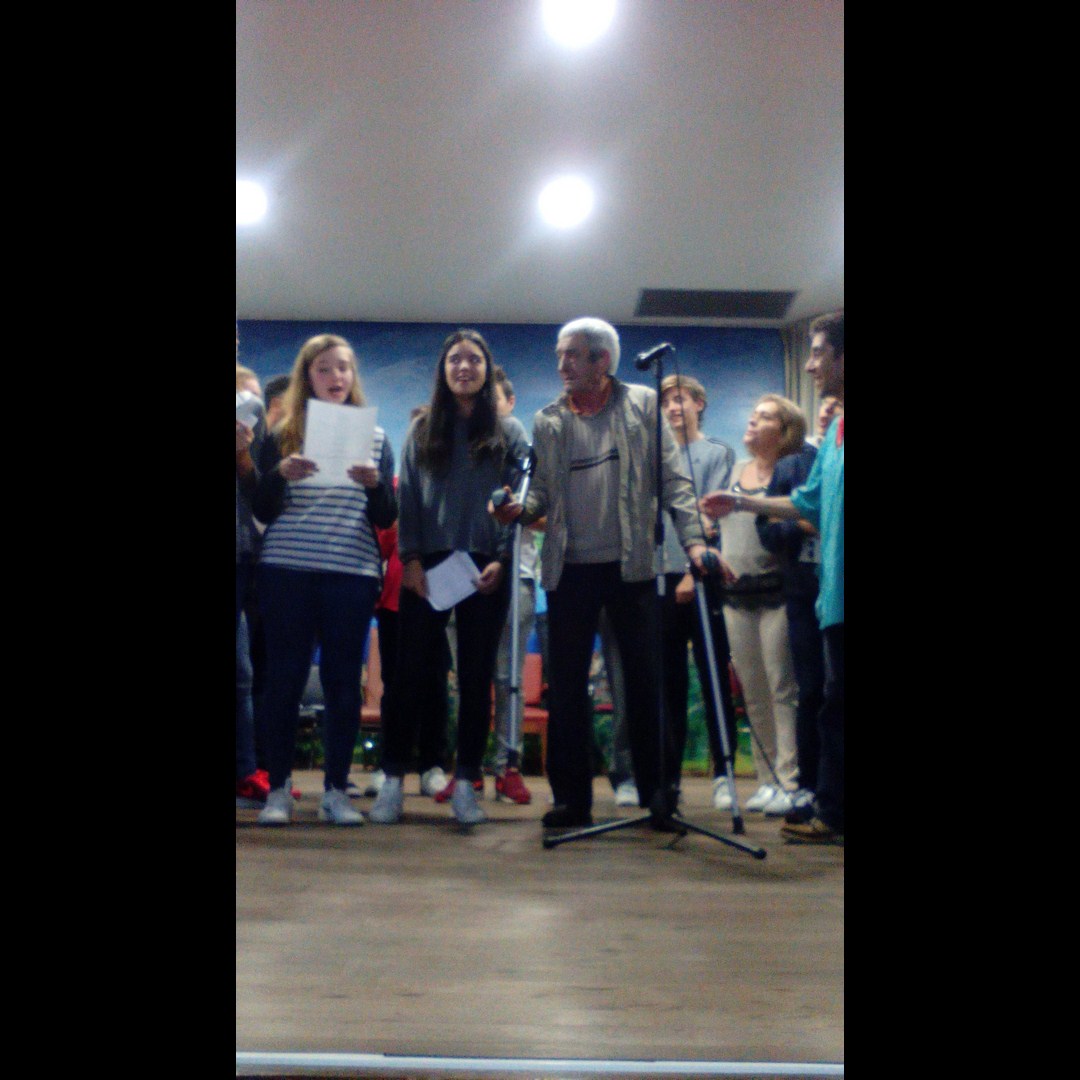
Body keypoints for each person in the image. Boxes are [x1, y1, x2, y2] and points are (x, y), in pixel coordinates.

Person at [493, 317, 714, 830]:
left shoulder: (643, 404)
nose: (561, 365)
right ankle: (572, 800)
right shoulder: (548, 419)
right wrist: (518, 511)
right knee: (568, 688)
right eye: (559, 354)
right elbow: (540, 495)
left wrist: (695, 542)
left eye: (571, 354)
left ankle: (659, 795)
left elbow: (674, 481)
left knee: (644, 684)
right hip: (568, 571)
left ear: (603, 360)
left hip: (633, 567)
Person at [369, 330, 528, 826]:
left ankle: (465, 785)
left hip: (486, 567)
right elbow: (409, 500)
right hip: (429, 567)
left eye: (474, 359)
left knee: (477, 678)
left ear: (486, 369)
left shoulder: (510, 432)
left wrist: (503, 558)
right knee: (409, 675)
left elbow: (520, 501)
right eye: (455, 359)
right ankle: (392, 780)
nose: (464, 367)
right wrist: (411, 559)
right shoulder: (422, 430)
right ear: (443, 369)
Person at [701, 311, 843, 845]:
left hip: (803, 596)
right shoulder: (836, 435)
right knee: (831, 705)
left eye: (819, 353)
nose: (809, 366)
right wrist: (740, 501)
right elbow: (807, 502)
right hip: (833, 597)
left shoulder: (823, 439)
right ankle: (829, 809)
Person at [252, 333, 397, 826]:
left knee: (342, 682)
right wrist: (279, 475)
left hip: (351, 572)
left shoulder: (377, 438)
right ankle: (278, 791)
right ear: (307, 377)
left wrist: (374, 486)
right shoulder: (282, 434)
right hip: (287, 570)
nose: (336, 377)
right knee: (284, 680)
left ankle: (336, 791)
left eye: (343, 368)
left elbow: (386, 516)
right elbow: (261, 510)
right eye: (324, 369)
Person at [714, 394, 805, 817]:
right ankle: (766, 780)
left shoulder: (791, 474)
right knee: (752, 692)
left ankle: (790, 779)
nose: (752, 421)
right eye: (752, 414)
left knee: (782, 687)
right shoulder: (733, 472)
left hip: (776, 592)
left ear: (785, 430)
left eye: (765, 416)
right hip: (735, 595)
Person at [755, 393, 844, 823]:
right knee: (814, 692)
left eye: (835, 407)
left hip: (832, 585)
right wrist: (807, 522)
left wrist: (816, 518)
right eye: (823, 408)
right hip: (807, 592)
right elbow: (772, 530)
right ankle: (811, 789)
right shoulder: (793, 466)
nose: (827, 413)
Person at [656, 373, 740, 810]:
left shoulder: (717, 453)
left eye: (681, 399)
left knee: (712, 676)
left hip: (702, 575)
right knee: (668, 681)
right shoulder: (656, 456)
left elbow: (710, 517)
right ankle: (668, 778)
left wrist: (692, 572)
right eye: (667, 401)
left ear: (699, 404)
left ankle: (724, 772)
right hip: (661, 578)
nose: (673, 407)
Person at [489, 366, 538, 804]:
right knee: (468, 678)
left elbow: (542, 514)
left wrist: (513, 510)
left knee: (509, 678)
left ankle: (508, 766)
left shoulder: (522, 449)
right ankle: (466, 770)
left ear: (510, 403)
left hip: (516, 574)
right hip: (462, 573)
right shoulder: (458, 446)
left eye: (494, 399)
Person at [236, 329, 270, 809]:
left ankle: (245, 770)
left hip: (242, 552)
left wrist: (243, 454)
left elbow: (260, 494)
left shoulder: (249, 410)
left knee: (242, 671)